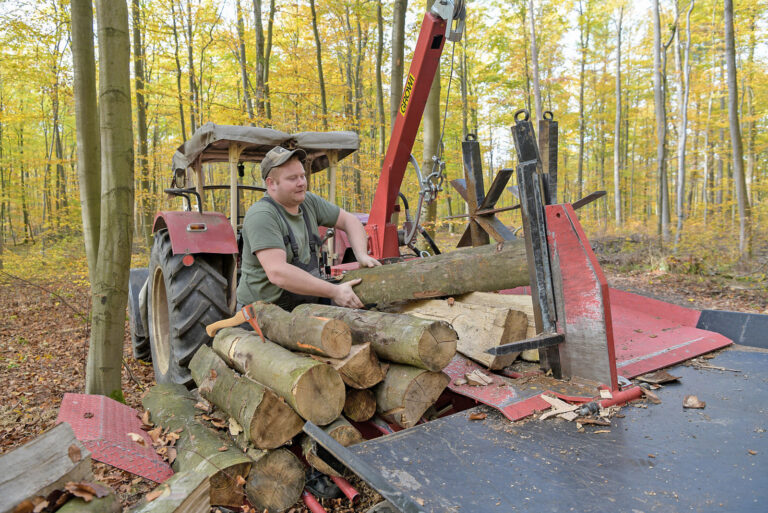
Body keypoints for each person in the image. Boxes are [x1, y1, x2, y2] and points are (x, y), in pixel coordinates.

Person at [236, 145, 381, 311]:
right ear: (271, 184)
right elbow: (278, 272)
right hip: (263, 313)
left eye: (302, 176)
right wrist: (334, 291)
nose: (301, 183)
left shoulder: (308, 202)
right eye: (292, 178)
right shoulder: (262, 216)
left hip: (303, 306)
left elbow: (349, 220)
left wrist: (361, 255)